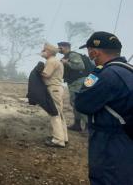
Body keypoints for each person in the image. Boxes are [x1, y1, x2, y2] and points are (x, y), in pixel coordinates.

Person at [75, 32, 133, 184]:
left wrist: (95, 71)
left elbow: (82, 103)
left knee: (106, 178)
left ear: (94, 52)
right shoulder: (128, 70)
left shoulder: (106, 75)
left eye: (89, 51)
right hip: (127, 137)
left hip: (110, 139)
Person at [39, 43, 68, 148]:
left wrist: (38, 71)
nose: (42, 52)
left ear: (49, 52)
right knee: (59, 114)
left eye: (44, 50)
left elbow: (46, 75)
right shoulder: (57, 61)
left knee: (54, 114)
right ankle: (64, 137)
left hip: (53, 88)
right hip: (58, 88)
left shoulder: (51, 61)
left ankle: (58, 140)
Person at [57, 41, 88, 132]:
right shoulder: (66, 57)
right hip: (73, 83)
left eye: (60, 47)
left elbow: (80, 66)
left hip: (79, 82)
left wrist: (66, 63)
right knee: (74, 103)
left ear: (66, 47)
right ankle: (77, 124)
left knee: (79, 102)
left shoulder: (72, 55)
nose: (59, 49)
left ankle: (87, 126)